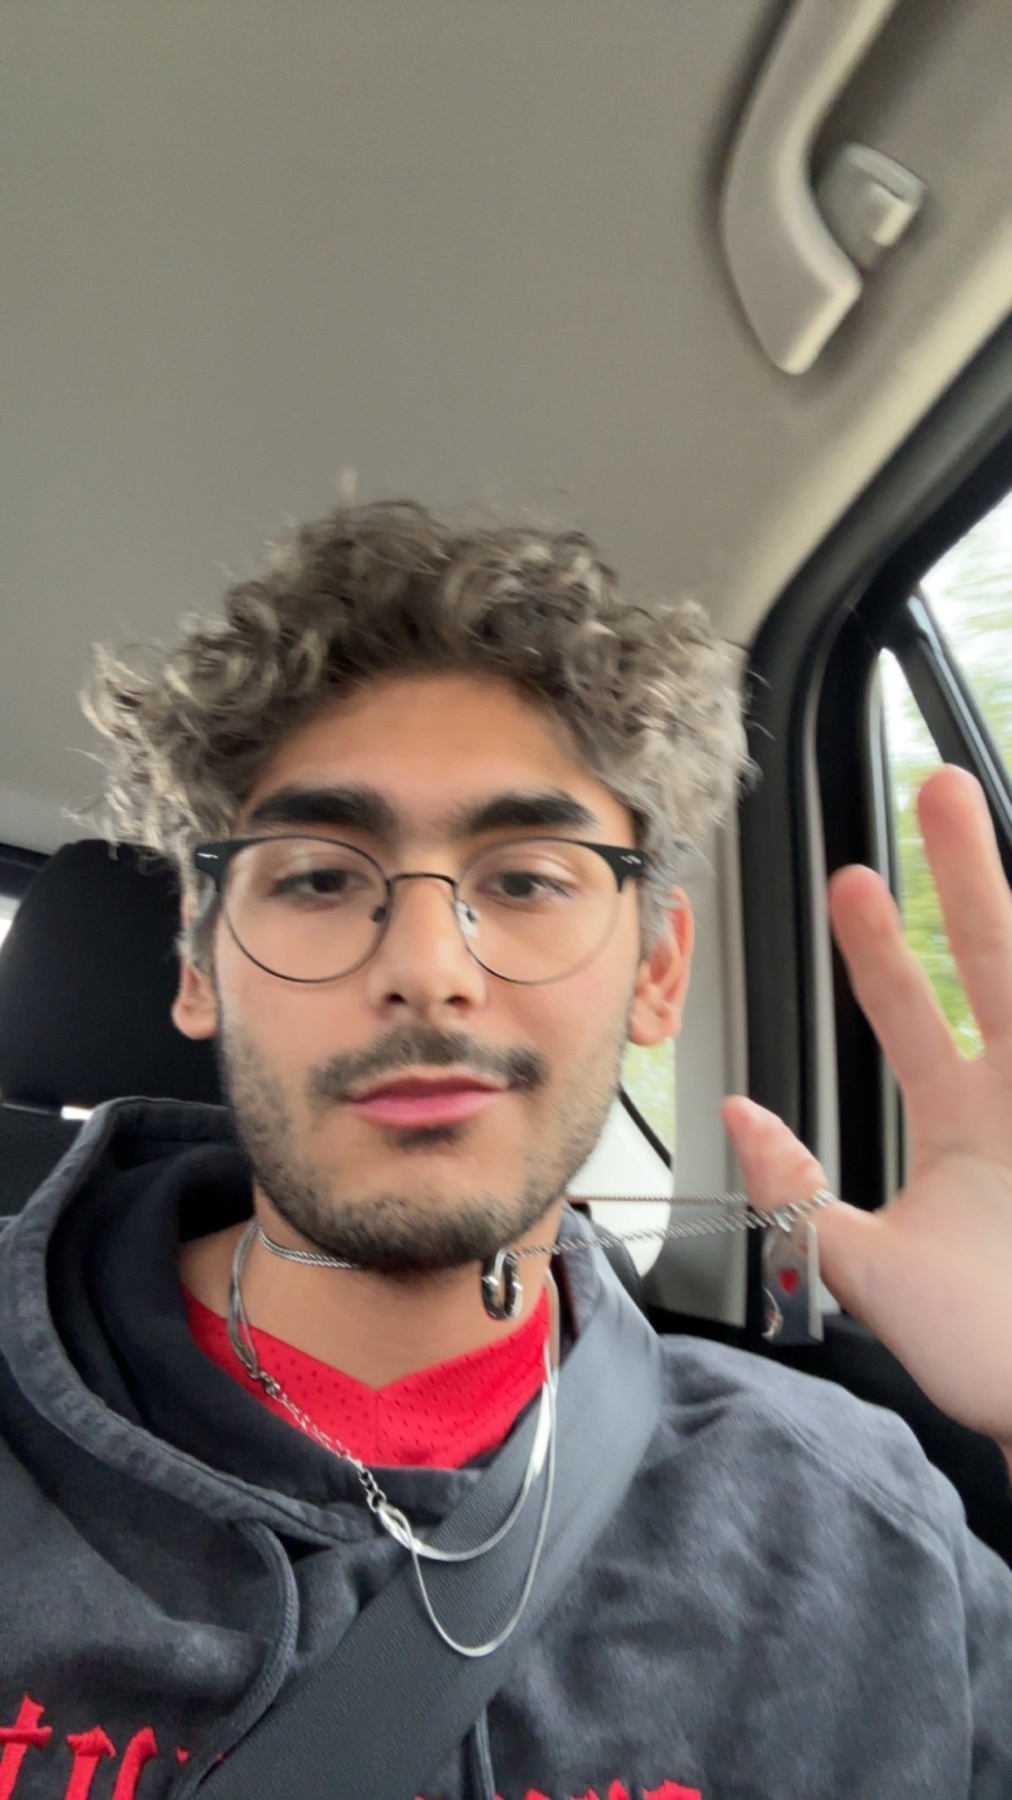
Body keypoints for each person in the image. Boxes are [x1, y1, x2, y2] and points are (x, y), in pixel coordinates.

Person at [0, 500, 1009, 1800]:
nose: (426, 970)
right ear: (200, 958)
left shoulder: (866, 1533)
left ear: (656, 972)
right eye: (317, 877)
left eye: (527, 879)